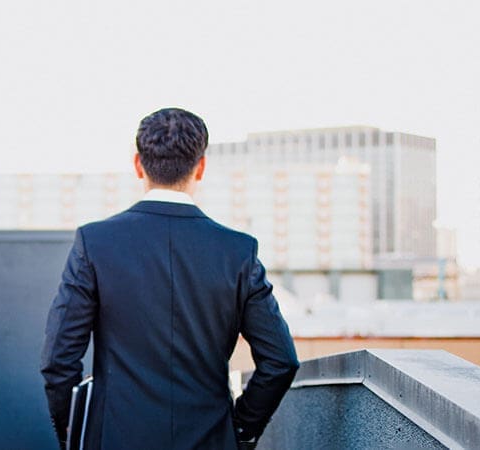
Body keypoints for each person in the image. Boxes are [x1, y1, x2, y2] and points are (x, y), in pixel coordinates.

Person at [40, 108, 301, 450]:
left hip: (116, 439)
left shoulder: (95, 243)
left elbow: (58, 360)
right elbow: (281, 360)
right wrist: (239, 429)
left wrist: (73, 433)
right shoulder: (238, 252)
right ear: (201, 167)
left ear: (138, 165)